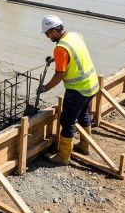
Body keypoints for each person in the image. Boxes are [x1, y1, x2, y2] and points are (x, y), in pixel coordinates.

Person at [40, 15, 100, 165]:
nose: (47, 37)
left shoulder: (60, 48)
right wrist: (57, 59)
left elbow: (59, 74)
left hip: (77, 89)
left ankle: (64, 156)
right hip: (92, 84)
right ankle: (84, 146)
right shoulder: (75, 35)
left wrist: (45, 87)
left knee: (67, 121)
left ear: (54, 31)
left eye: (47, 34)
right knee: (83, 114)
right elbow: (75, 53)